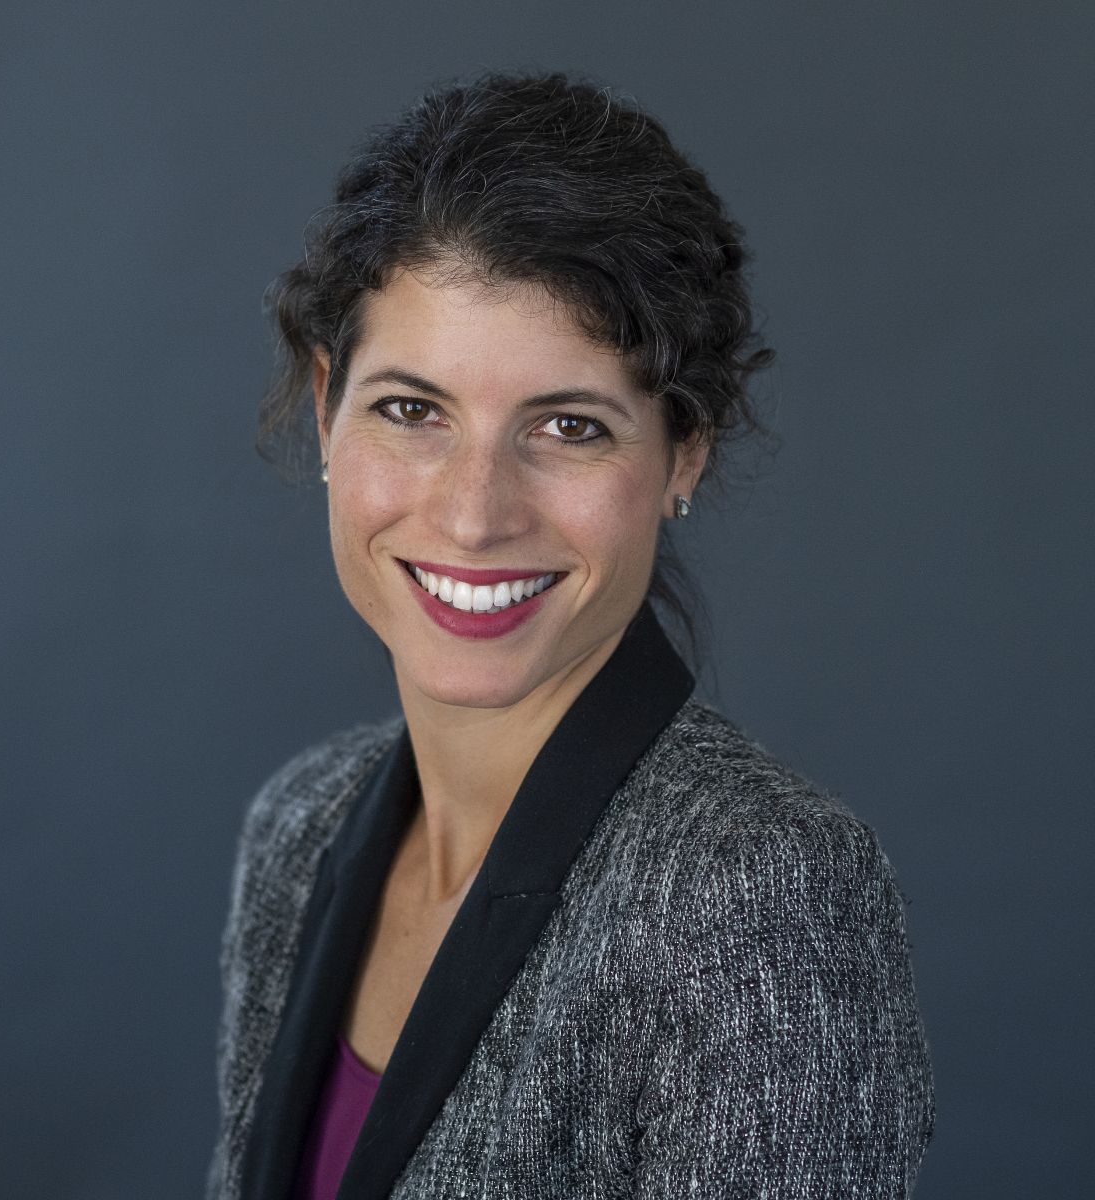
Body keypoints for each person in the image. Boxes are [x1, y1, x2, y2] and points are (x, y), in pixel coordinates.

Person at [206, 71, 935, 1200]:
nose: (473, 511)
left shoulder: (753, 894)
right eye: (412, 409)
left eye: (568, 425)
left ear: (681, 454)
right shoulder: (300, 827)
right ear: (324, 408)